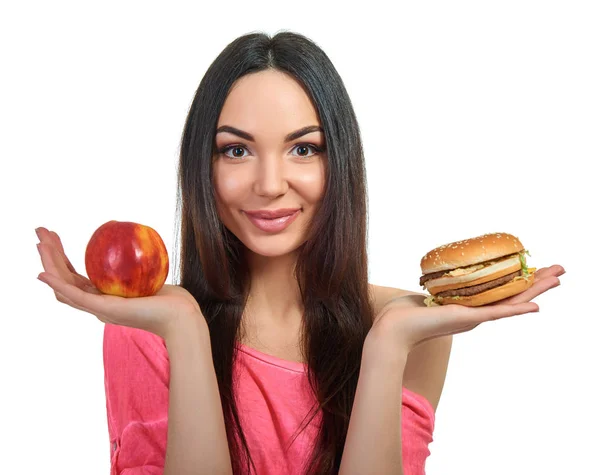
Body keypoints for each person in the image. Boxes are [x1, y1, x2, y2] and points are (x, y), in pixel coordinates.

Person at [35, 31, 565, 475]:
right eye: (236, 150)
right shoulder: (146, 327)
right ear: (203, 165)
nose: (269, 184)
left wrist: (386, 345)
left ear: (341, 164)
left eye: (304, 148)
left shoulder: (414, 327)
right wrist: (184, 329)